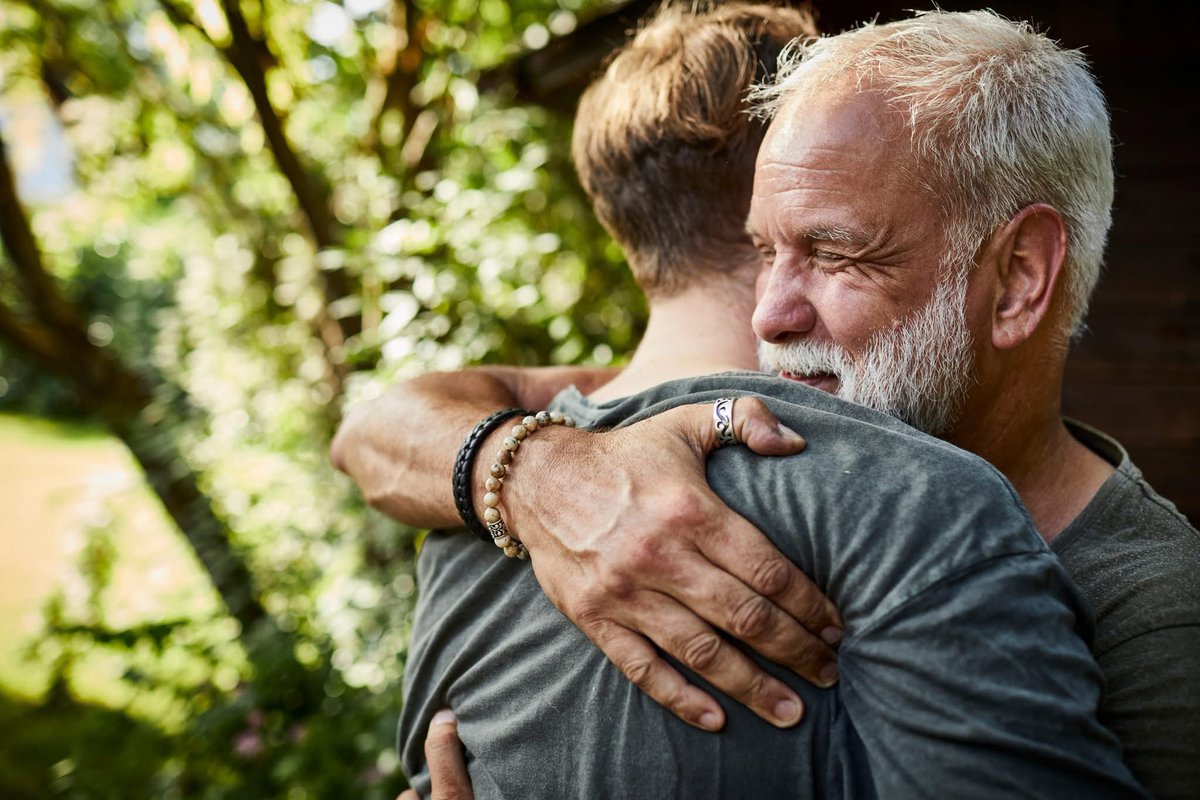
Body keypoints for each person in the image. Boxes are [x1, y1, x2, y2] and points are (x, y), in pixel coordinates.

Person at [334, 6, 1152, 798]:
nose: (773, 311)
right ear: (767, 178)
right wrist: (533, 471)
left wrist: (519, 464)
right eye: (770, 249)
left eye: (833, 248)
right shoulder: (916, 504)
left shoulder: (455, 533)